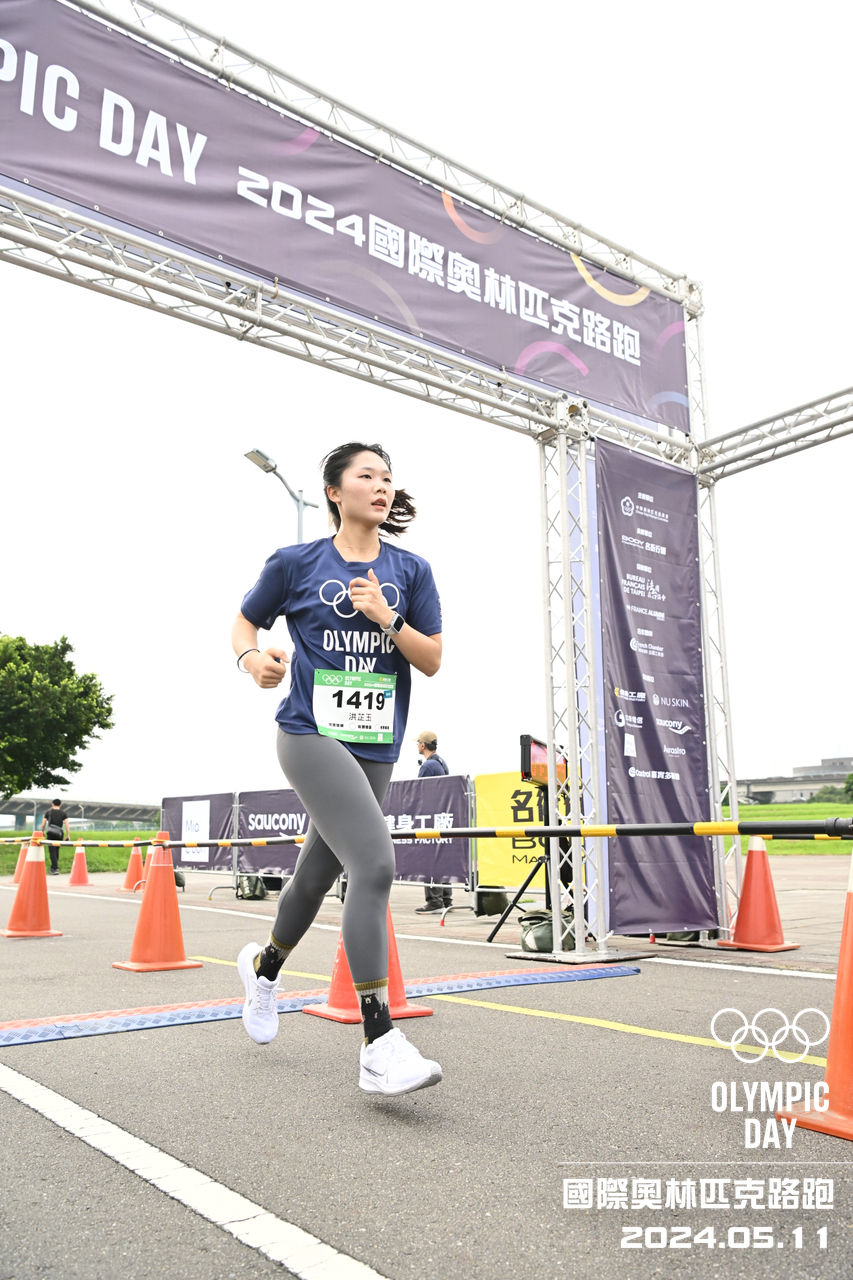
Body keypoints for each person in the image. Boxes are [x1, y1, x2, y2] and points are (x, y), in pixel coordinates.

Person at [232, 442, 444, 1096]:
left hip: (375, 743)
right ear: (335, 491)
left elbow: (431, 658)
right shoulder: (296, 563)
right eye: (366, 475)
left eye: (388, 478)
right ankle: (378, 1042)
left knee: (314, 875)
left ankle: (265, 971)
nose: (381, 486)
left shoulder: (411, 570)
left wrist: (387, 617)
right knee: (373, 866)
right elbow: (244, 624)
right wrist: (251, 660)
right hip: (308, 733)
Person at [414, 731, 453, 913]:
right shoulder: (441, 762)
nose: (417, 746)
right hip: (441, 817)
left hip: (430, 817)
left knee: (430, 859)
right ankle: (446, 899)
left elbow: (418, 792)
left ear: (423, 745)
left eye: (418, 743)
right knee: (441, 858)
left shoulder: (428, 766)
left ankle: (434, 901)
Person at [41, 799, 70, 874]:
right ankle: (54, 867)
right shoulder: (63, 813)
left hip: (50, 833)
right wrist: (68, 835)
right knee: (56, 850)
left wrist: (42, 832)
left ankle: (55, 868)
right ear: (60, 804)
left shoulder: (48, 812)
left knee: (52, 851)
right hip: (59, 834)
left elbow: (43, 824)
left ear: (52, 804)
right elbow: (67, 825)